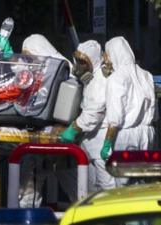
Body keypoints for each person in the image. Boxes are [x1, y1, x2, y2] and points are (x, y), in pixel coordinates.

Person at [17, 34, 77, 208]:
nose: (27, 60)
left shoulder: (64, 70)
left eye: (28, 55)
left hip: (59, 137)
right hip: (43, 136)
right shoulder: (47, 68)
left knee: (76, 187)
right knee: (29, 188)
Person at [60, 40, 116, 192]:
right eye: (76, 60)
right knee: (93, 189)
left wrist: (73, 129)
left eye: (83, 62)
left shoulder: (99, 80)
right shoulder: (91, 78)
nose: (78, 65)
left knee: (107, 189)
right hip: (90, 142)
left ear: (94, 62)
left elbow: (93, 113)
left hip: (99, 142)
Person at [100, 36, 156, 186]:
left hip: (125, 136)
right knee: (142, 184)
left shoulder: (116, 78)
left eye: (107, 55)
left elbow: (115, 118)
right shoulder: (146, 75)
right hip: (147, 133)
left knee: (123, 186)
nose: (106, 60)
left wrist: (106, 144)